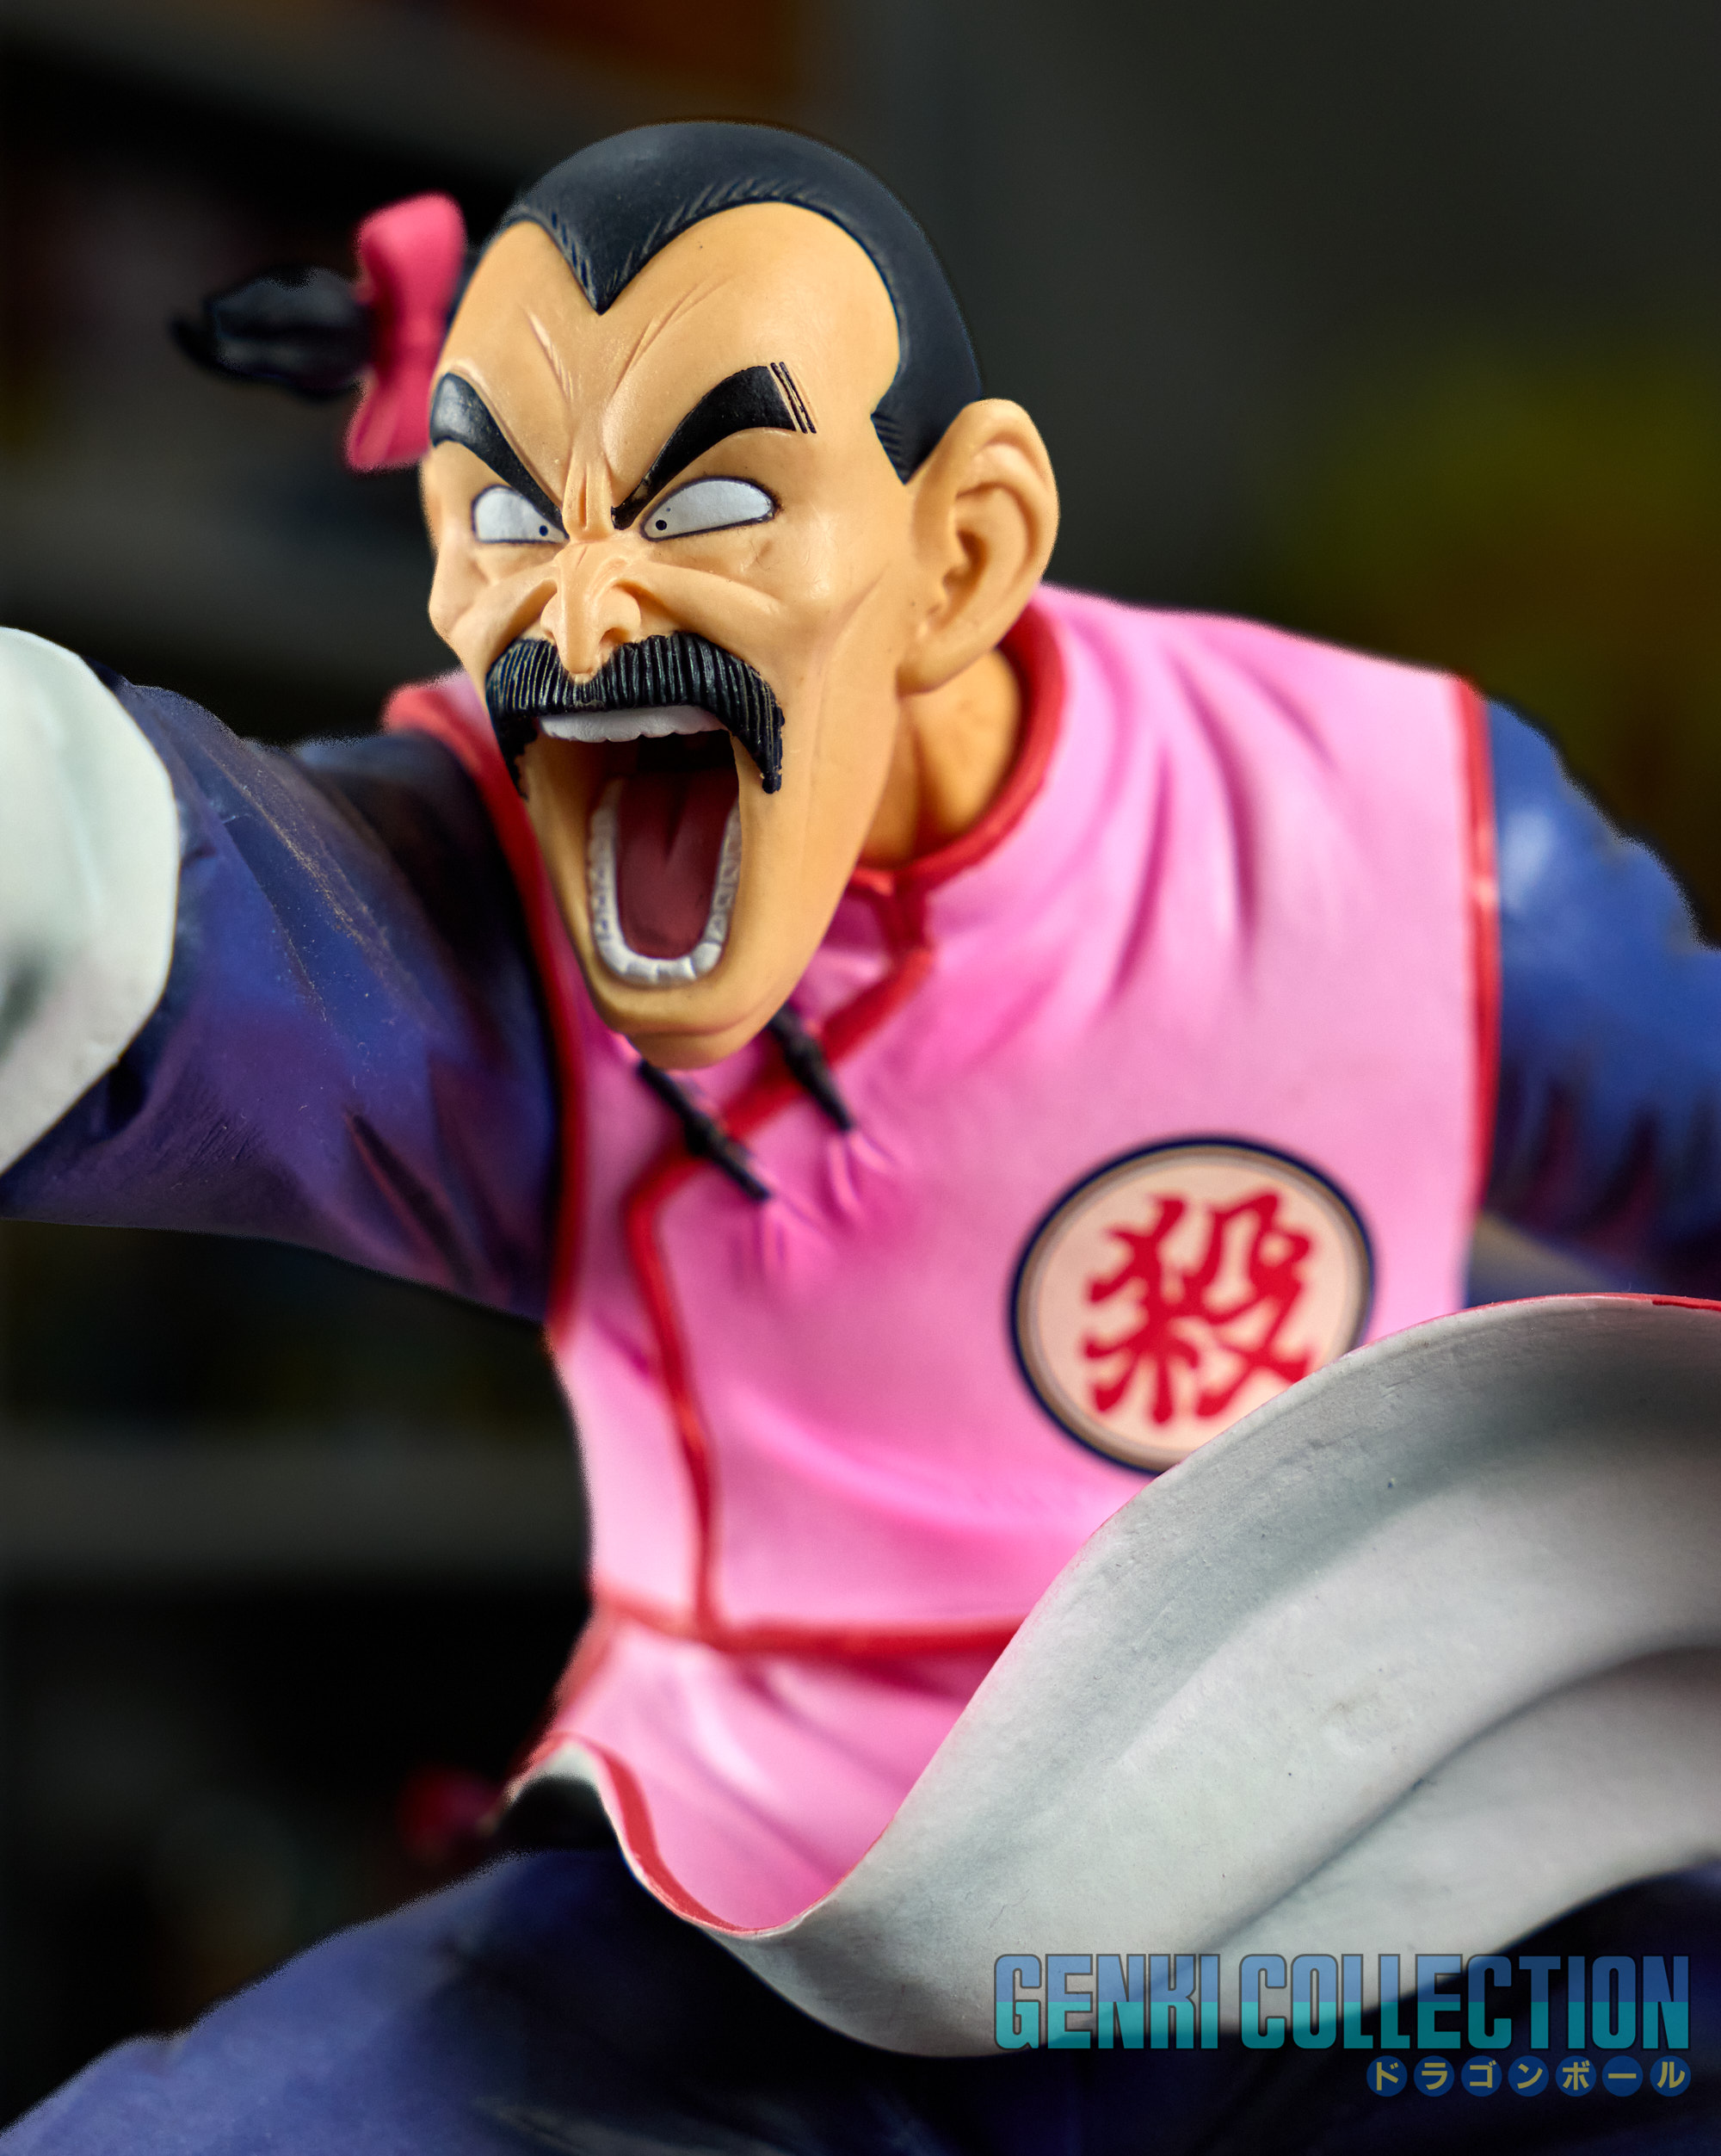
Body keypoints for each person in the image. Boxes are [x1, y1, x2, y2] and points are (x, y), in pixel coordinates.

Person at [1, 121, 1718, 2151]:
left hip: (1386, 1936)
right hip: (752, 1948)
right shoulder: (512, 915)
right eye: (507, 512)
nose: (582, 611)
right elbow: (185, 916)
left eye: (716, 499)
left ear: (961, 548)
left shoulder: (1402, 838)